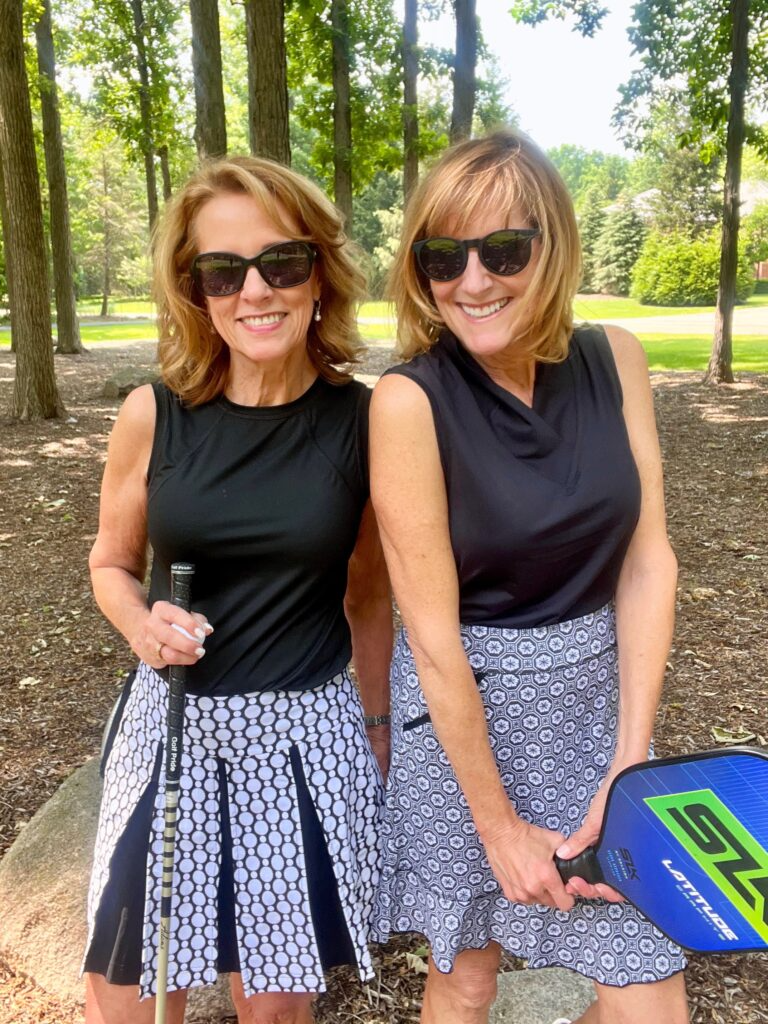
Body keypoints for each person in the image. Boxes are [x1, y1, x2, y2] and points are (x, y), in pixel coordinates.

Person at [369, 129, 690, 1024]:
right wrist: (499, 826)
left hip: (596, 715)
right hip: (465, 730)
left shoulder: (616, 359)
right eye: (443, 257)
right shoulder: (408, 401)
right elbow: (432, 638)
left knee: (648, 1000)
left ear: (555, 246)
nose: (472, 281)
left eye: (504, 249)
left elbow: (648, 559)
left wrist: (629, 763)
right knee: (467, 980)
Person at [83, 155, 392, 1024]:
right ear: (195, 290)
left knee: (276, 1009)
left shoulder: (365, 421)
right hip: (170, 730)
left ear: (320, 275)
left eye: (281, 263)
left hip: (301, 743)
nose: (254, 290)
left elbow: (370, 595)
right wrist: (141, 624)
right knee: (126, 993)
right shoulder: (153, 413)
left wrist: (376, 729)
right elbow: (109, 563)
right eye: (221, 270)